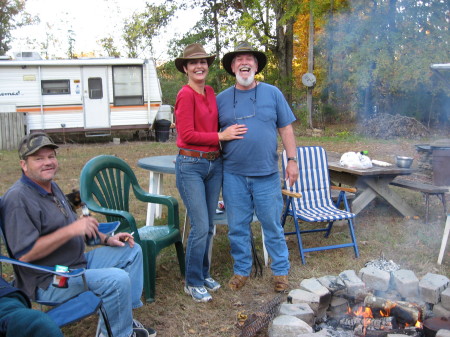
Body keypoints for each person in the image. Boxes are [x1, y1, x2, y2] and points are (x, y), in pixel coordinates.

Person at [0, 133, 156, 337]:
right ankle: (119, 333)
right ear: (24, 164)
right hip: (52, 278)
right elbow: (25, 254)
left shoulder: (51, 187)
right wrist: (71, 230)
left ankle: (123, 316)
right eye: (39, 158)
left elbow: (78, 226)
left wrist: (107, 239)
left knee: (132, 250)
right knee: (116, 279)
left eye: (51, 156)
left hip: (77, 263)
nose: (47, 162)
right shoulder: (18, 199)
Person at [217, 41, 299, 292]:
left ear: (256, 65)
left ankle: (281, 271)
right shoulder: (220, 100)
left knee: (272, 224)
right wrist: (222, 134)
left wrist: (292, 160)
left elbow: (285, 128)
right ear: (232, 67)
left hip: (266, 174)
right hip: (233, 174)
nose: (244, 63)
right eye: (239, 59)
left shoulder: (272, 93)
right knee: (237, 226)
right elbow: (209, 134)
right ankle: (242, 270)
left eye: (249, 59)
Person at [174, 43, 247, 302]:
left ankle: (202, 274)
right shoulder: (185, 94)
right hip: (191, 166)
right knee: (200, 224)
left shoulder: (210, 91)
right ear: (185, 68)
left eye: (203, 62)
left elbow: (218, 121)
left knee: (208, 227)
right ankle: (191, 282)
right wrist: (220, 135)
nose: (199, 66)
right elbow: (187, 135)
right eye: (193, 63)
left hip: (214, 165)